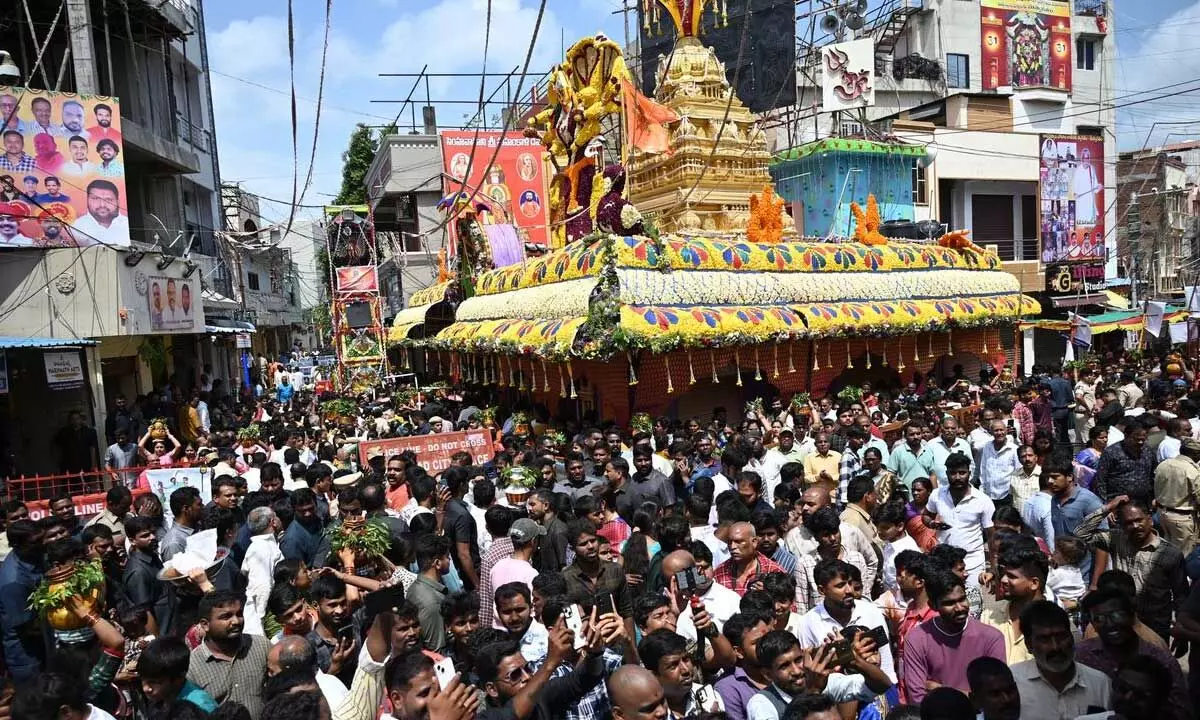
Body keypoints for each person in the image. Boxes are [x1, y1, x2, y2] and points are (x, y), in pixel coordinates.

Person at [1073, 494, 1186, 639]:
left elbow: (1180, 596)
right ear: (1121, 525)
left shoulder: (1170, 554)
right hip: (1120, 624)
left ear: (1150, 519)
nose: (1135, 526)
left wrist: (1181, 631)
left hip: (1154, 627)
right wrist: (1107, 508)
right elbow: (1080, 533)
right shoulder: (1116, 540)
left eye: (1139, 520)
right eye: (1128, 523)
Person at [1073, 588, 1190, 720]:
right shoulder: (1081, 655)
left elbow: (1180, 712)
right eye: (1099, 619)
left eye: (1117, 615)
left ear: (1132, 615)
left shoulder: (1162, 660)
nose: (1110, 624)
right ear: (1092, 624)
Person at [476, 615, 612, 720]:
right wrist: (550, 662)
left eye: (527, 668)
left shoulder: (542, 696)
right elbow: (513, 714)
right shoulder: (485, 716)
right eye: (515, 675)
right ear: (492, 689)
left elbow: (586, 677)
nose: (527, 677)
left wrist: (595, 652)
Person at [901, 569, 1005, 704]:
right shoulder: (917, 639)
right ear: (933, 605)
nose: (959, 608)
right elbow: (918, 698)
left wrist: (941, 691)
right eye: (949, 603)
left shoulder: (992, 638)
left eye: (962, 599)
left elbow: (995, 696)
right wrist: (970, 696)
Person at [745, 630, 890, 719]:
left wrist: (852, 659)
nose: (796, 671)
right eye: (784, 666)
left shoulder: (824, 681)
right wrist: (813, 692)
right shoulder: (762, 704)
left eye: (798, 660)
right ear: (768, 674)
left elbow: (881, 685)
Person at [796, 558, 896, 683]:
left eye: (849, 583)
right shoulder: (808, 623)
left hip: (877, 691)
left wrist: (890, 689)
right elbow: (811, 670)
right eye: (840, 585)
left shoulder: (871, 612)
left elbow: (886, 661)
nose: (849, 590)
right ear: (822, 590)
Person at [1008, 601, 1111, 719]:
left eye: (1061, 637)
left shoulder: (1100, 684)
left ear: (1072, 638)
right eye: (1044, 639)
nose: (1055, 647)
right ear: (1029, 645)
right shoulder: (1012, 683)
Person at [187, 590, 270, 719]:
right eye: (226, 617)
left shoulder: (262, 646)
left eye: (239, 614)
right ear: (205, 625)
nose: (236, 621)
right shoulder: (192, 666)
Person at [924, 452, 995, 583]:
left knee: (973, 602)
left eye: (962, 473)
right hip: (943, 563)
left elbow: (991, 537)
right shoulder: (937, 495)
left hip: (972, 564)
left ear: (969, 473)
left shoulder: (983, 500)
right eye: (953, 473)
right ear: (946, 474)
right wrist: (932, 523)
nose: (957, 477)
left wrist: (993, 569)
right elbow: (925, 516)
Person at [982, 545, 1048, 664]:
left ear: (1034, 583)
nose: (1003, 580)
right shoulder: (989, 617)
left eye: (1011, 576)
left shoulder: (1056, 624)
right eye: (1003, 574)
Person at [0, 519, 44, 681]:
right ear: (17, 545)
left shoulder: (33, 556)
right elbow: (30, 628)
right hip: (28, 659)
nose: (43, 543)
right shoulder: (14, 581)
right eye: (36, 542)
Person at [140, 636, 220, 712]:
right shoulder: (161, 698)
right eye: (143, 680)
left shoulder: (200, 706)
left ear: (179, 677)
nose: (146, 688)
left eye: (155, 682)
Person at [488, 518, 542, 627]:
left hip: (500, 630)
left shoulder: (497, 566)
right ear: (533, 541)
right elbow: (532, 611)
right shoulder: (531, 574)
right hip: (520, 632)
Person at [1152, 436, 1200, 554]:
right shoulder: (1191, 470)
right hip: (1182, 519)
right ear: (1195, 454)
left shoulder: (1163, 465)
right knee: (1183, 556)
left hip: (1162, 515)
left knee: (1165, 552)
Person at [1093, 416, 1157, 505]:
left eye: (1143, 439)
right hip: (1118, 503)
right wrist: (1106, 505)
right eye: (1136, 439)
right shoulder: (1111, 452)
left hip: (1143, 502)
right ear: (1126, 436)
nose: (1140, 442)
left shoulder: (1148, 451)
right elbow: (1101, 480)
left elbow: (1154, 475)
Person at [715, 521, 787, 597]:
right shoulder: (719, 573)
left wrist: (769, 596)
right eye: (729, 542)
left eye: (738, 542)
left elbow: (788, 605)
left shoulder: (774, 571)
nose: (732, 547)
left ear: (754, 542)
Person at [242, 506, 283, 637]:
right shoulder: (260, 549)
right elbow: (262, 587)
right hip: (261, 619)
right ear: (273, 522)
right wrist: (260, 619)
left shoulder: (267, 545)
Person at [408, 534, 451, 653]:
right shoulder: (432, 602)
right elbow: (435, 648)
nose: (449, 560)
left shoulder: (417, 587)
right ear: (437, 563)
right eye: (447, 557)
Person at [975, 421, 1020, 506]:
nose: (999, 433)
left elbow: (1018, 472)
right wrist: (982, 490)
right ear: (991, 432)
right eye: (996, 430)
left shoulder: (1014, 449)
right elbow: (983, 469)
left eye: (1001, 430)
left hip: (1007, 496)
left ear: (1006, 431)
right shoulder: (987, 446)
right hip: (989, 495)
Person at [72, 179, 128, 245]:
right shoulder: (77, 227)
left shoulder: (127, 224)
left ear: (118, 202)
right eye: (95, 199)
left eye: (108, 199)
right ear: (87, 200)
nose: (102, 205)